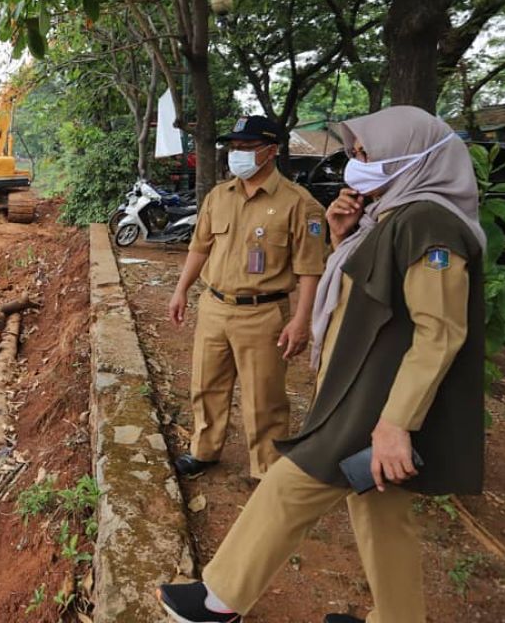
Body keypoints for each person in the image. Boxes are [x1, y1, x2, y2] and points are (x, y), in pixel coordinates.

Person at [157, 106, 487, 623]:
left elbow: (440, 332)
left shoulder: (430, 225)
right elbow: (370, 289)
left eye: (367, 153)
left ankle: (219, 599)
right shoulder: (392, 215)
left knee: (295, 479)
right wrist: (343, 236)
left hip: (376, 397)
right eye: (355, 153)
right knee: (377, 503)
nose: (357, 163)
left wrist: (396, 423)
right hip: (361, 385)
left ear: (412, 156)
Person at [169, 115, 326, 480]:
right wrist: (181, 290)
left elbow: (310, 269)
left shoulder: (300, 204)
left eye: (246, 147)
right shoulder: (218, 197)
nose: (236, 154)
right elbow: (200, 247)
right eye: (234, 147)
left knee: (264, 398)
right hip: (214, 306)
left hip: (264, 313)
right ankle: (203, 450)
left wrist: (301, 321)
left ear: (271, 151)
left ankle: (266, 468)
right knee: (206, 385)